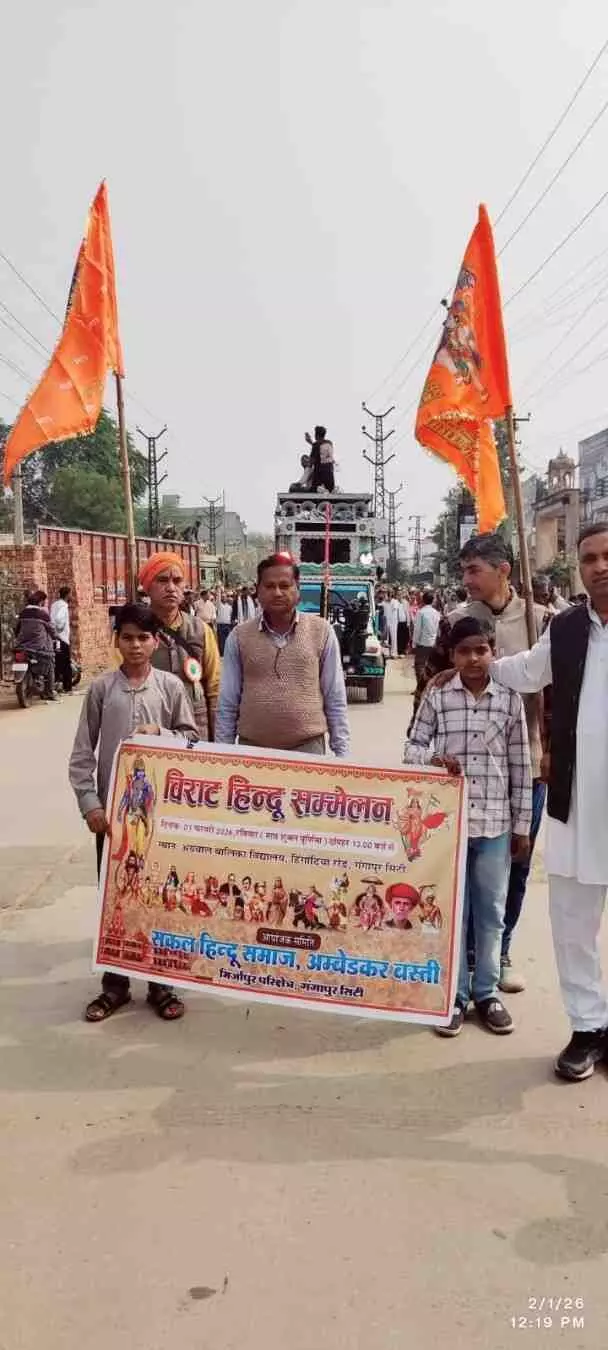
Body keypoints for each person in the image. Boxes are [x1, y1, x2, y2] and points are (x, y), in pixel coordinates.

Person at [484, 522, 608, 1080]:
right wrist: (478, 667)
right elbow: (528, 672)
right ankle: (588, 1027)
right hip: (576, 802)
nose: (600, 566)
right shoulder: (567, 627)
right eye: (590, 558)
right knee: (572, 922)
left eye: (607, 555)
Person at [415, 532, 548, 994]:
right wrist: (426, 758)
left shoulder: (541, 621)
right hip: (463, 774)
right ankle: (464, 962)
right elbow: (429, 688)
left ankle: (500, 951)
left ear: (503, 570)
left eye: (474, 570)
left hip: (526, 762)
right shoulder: (456, 622)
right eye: (464, 570)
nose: (466, 579)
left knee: (515, 867)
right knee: (460, 876)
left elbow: (559, 694)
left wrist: (554, 750)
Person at [68, 602, 198, 1024]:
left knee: (160, 895)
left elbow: (191, 740)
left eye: (143, 637)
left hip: (159, 817)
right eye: (127, 637)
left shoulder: (171, 687)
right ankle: (116, 985)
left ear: (155, 641)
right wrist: (90, 803)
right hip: (113, 818)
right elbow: (82, 754)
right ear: (117, 641)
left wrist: (161, 732)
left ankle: (161, 983)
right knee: (116, 899)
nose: (136, 645)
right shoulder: (102, 690)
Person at [404, 616, 532, 1038]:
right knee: (453, 913)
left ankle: (486, 993)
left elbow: (521, 767)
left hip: (495, 823)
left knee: (491, 912)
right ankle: (455, 996)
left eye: (481, 650)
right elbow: (412, 747)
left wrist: (522, 826)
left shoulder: (509, 699)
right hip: (449, 825)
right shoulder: (439, 695)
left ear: (492, 651)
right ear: (452, 655)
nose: (474, 658)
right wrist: (433, 760)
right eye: (464, 651)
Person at [216, 553, 350, 756]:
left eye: (285, 586)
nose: (277, 593)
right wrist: (223, 754)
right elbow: (227, 702)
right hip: (252, 751)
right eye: (269, 586)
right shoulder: (239, 637)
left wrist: (343, 755)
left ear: (298, 590)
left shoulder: (322, 632)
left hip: (308, 750)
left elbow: (335, 697)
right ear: (258, 591)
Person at [138, 551, 220, 741]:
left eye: (177, 581)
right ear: (148, 586)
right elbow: (119, 686)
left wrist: (218, 742)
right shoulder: (133, 632)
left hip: (195, 734)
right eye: (162, 580)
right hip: (150, 733)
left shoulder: (201, 630)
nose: (171, 588)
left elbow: (215, 689)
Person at [15, 589, 57, 701]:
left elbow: (17, 630)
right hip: (39, 647)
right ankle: (49, 693)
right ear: (41, 601)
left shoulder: (23, 613)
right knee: (51, 664)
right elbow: (52, 630)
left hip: (21, 646)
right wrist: (55, 637)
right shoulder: (42, 614)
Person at [412, 590, 441, 685]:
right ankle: (429, 686)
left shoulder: (421, 612)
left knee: (419, 666)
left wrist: (414, 643)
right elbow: (438, 629)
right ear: (433, 601)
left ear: (423, 600)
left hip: (423, 643)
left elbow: (417, 630)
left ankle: (421, 687)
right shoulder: (436, 613)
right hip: (433, 643)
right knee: (431, 667)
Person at [50, 586, 73, 693]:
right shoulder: (63, 605)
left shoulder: (54, 604)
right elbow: (59, 619)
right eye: (70, 594)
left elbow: (52, 618)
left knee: (57, 662)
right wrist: (60, 628)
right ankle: (67, 687)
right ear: (67, 595)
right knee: (66, 663)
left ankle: (54, 684)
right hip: (62, 638)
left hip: (54, 637)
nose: (71, 596)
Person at [305, 426, 335, 493]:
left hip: (319, 473)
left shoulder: (316, 445)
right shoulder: (329, 443)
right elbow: (321, 448)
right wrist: (311, 442)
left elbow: (311, 461)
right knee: (330, 491)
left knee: (313, 492)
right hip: (330, 472)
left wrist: (307, 464)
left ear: (317, 435)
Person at [382, 588, 400, 659]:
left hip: (393, 622)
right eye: (387, 594)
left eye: (389, 594)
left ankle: (394, 653)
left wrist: (388, 601)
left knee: (393, 638)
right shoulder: (384, 602)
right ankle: (386, 653)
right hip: (386, 621)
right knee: (385, 638)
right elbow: (380, 605)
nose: (387, 596)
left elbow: (394, 608)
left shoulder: (395, 602)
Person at [216, 590, 233, 654]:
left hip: (227, 625)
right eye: (222, 597)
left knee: (228, 639)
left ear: (226, 598)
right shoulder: (218, 605)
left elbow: (230, 615)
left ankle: (227, 651)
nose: (223, 598)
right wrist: (219, 589)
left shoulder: (229, 607)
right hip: (220, 625)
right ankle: (222, 652)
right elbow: (218, 598)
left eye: (224, 597)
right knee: (221, 639)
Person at [396, 591, 411, 655]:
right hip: (398, 622)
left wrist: (408, 623)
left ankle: (404, 650)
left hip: (404, 622)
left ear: (402, 595)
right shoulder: (396, 602)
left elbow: (408, 613)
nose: (399, 596)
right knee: (399, 637)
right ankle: (399, 650)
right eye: (398, 595)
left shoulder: (405, 602)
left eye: (400, 594)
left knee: (405, 637)